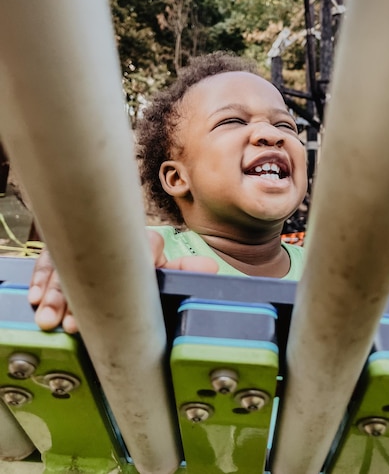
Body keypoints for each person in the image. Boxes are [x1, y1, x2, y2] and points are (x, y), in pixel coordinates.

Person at [28, 52, 308, 333]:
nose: (271, 134)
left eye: (285, 124)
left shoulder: (333, 276)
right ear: (177, 178)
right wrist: (83, 262)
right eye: (232, 121)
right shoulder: (144, 258)